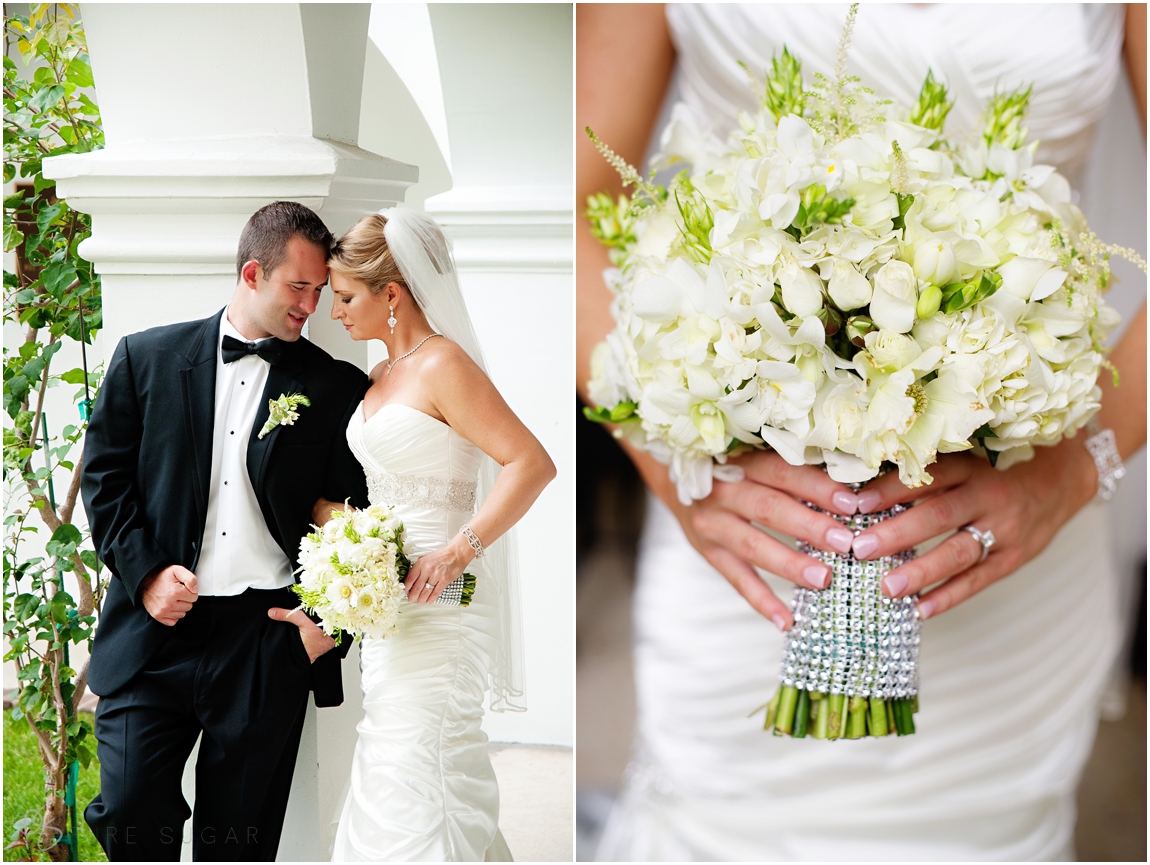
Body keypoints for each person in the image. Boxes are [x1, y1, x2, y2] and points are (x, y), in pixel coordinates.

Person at [577, 4, 1146, 860]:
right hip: (759, 548)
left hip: (1009, 554)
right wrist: (674, 469)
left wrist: (1071, 471)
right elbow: (577, 205)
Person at [81, 201, 370, 861]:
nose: (311, 305)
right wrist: (148, 573)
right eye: (298, 287)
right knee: (130, 811)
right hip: (153, 634)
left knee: (238, 841)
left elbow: (363, 517)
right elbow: (105, 481)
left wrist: (330, 620)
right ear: (251, 273)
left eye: (321, 291)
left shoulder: (335, 388)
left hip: (262, 640)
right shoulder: (145, 358)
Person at [322, 209, 556, 861]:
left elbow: (531, 463)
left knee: (419, 766)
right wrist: (347, 546)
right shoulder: (377, 378)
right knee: (398, 763)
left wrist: (460, 549)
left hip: (443, 604)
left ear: (390, 295)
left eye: (346, 298)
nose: (336, 312)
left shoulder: (443, 365)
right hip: (389, 610)